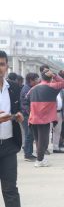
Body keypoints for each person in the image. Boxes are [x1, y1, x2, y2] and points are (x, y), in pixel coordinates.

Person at [28, 68, 64, 167]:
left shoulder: (34, 88)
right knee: (43, 140)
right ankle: (39, 160)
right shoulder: (52, 87)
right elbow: (63, 83)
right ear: (50, 78)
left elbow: (26, 99)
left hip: (33, 117)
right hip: (44, 118)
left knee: (37, 140)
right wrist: (54, 74)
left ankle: (41, 158)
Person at [0, 50, 23, 207]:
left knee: (10, 190)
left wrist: (19, 115)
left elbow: (18, 109)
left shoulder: (14, 87)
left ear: (7, 66)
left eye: (1, 64)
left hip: (8, 145)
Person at [20, 72, 40, 161]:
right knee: (29, 134)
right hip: (27, 115)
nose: (38, 81)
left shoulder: (31, 88)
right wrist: (31, 113)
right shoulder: (26, 90)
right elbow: (24, 105)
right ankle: (28, 154)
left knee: (30, 135)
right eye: (36, 79)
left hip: (30, 115)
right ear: (31, 80)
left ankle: (29, 153)